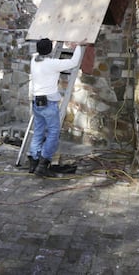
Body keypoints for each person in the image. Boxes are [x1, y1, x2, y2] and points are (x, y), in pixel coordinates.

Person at [28, 38, 83, 177]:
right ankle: (43, 164)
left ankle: (33, 162)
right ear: (50, 50)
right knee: (53, 133)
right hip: (48, 103)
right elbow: (73, 62)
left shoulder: (34, 60)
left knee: (39, 131)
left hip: (36, 102)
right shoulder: (51, 64)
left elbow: (42, 52)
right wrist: (78, 46)